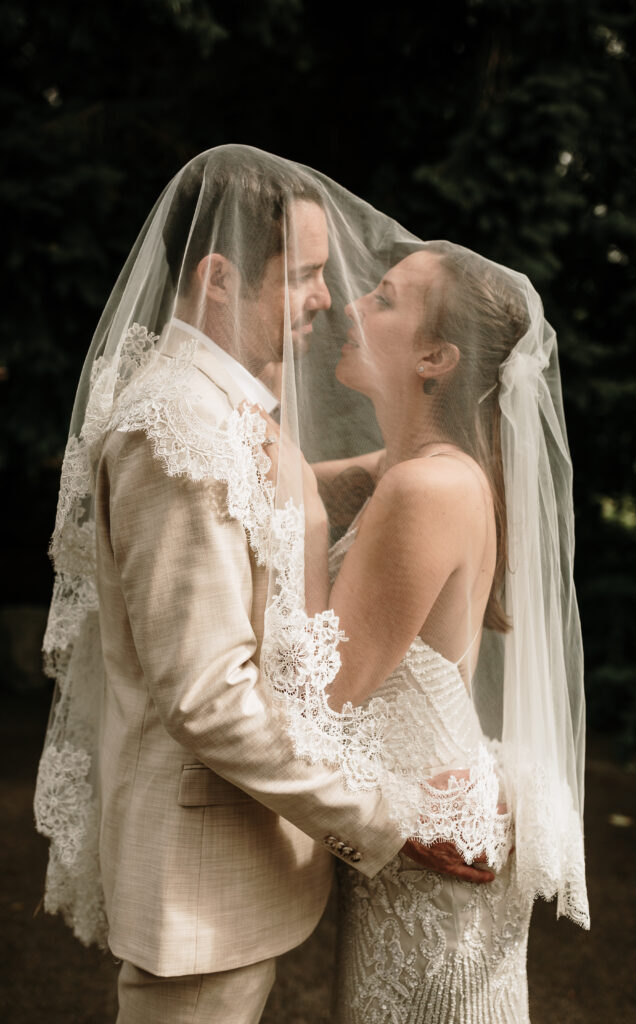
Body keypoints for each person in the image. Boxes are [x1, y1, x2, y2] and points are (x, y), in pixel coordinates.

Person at [33, 146, 496, 1024]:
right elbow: (209, 698)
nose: (326, 301)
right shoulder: (175, 428)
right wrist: (385, 821)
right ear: (217, 276)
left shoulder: (211, 402)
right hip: (196, 880)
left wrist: (349, 476)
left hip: (228, 868)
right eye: (305, 277)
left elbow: (232, 530)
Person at [254, 241, 590, 1021]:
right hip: (414, 837)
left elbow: (321, 695)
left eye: (384, 299)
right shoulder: (409, 467)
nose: (349, 306)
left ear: (435, 356)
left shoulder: (427, 486)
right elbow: (282, 477)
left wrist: (302, 520)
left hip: (429, 852)